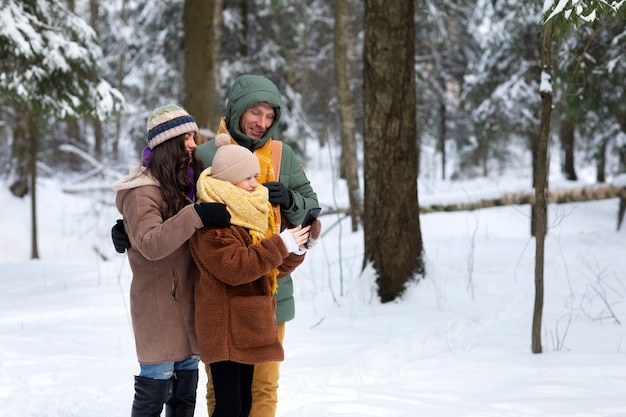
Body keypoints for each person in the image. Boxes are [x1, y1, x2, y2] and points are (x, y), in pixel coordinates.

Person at [195, 74, 320, 417]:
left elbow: (311, 208)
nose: (262, 123)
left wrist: (290, 198)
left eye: (270, 116)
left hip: (272, 286)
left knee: (263, 386)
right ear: (237, 110)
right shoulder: (205, 154)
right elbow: (177, 210)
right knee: (221, 393)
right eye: (256, 113)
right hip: (222, 289)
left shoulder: (282, 156)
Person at [111, 103, 231, 417]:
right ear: (168, 144)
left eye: (194, 137)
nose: (193, 145)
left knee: (184, 397)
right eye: (187, 138)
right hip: (160, 309)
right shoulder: (143, 191)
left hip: (188, 305)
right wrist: (196, 215)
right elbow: (151, 244)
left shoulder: (183, 183)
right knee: (154, 393)